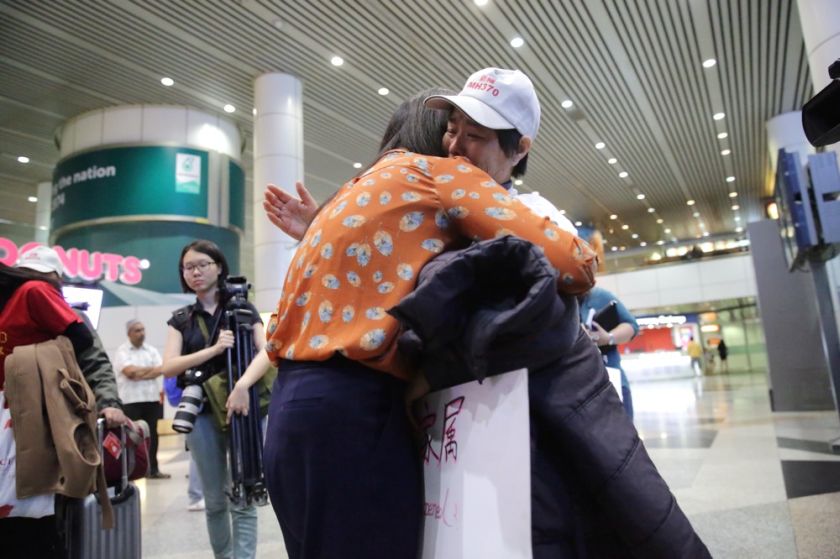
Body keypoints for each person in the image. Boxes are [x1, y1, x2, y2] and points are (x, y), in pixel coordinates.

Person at [259, 86, 597, 559]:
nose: (457, 147)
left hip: (289, 412)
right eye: (452, 133)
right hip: (355, 412)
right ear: (437, 138)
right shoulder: (441, 173)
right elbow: (572, 263)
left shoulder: (354, 192)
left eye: (469, 135)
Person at [0, 247, 113, 558]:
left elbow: (90, 354)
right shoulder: (15, 300)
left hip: (41, 415)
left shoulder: (40, 295)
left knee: (40, 507)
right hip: (15, 415)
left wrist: (109, 402)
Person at [161, 240, 264, 559]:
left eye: (202, 264)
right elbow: (169, 365)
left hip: (241, 406)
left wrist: (243, 385)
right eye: (188, 267)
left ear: (219, 266)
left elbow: (268, 352)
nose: (195, 272)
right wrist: (214, 350)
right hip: (203, 413)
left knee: (244, 491)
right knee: (215, 499)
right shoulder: (181, 319)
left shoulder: (243, 308)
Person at [114, 319, 169, 479]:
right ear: (129, 333)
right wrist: (148, 371)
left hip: (151, 399)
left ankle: (153, 469)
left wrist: (140, 373)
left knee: (153, 435)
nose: (141, 333)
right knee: (132, 436)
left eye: (143, 329)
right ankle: (132, 470)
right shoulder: (122, 351)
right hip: (131, 401)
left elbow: (162, 369)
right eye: (137, 330)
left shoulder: (151, 350)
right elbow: (129, 372)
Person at [578, 286, 639, 419]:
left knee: (623, 436)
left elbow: (631, 326)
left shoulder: (598, 296)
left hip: (611, 380)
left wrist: (608, 338)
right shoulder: (554, 300)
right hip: (575, 390)